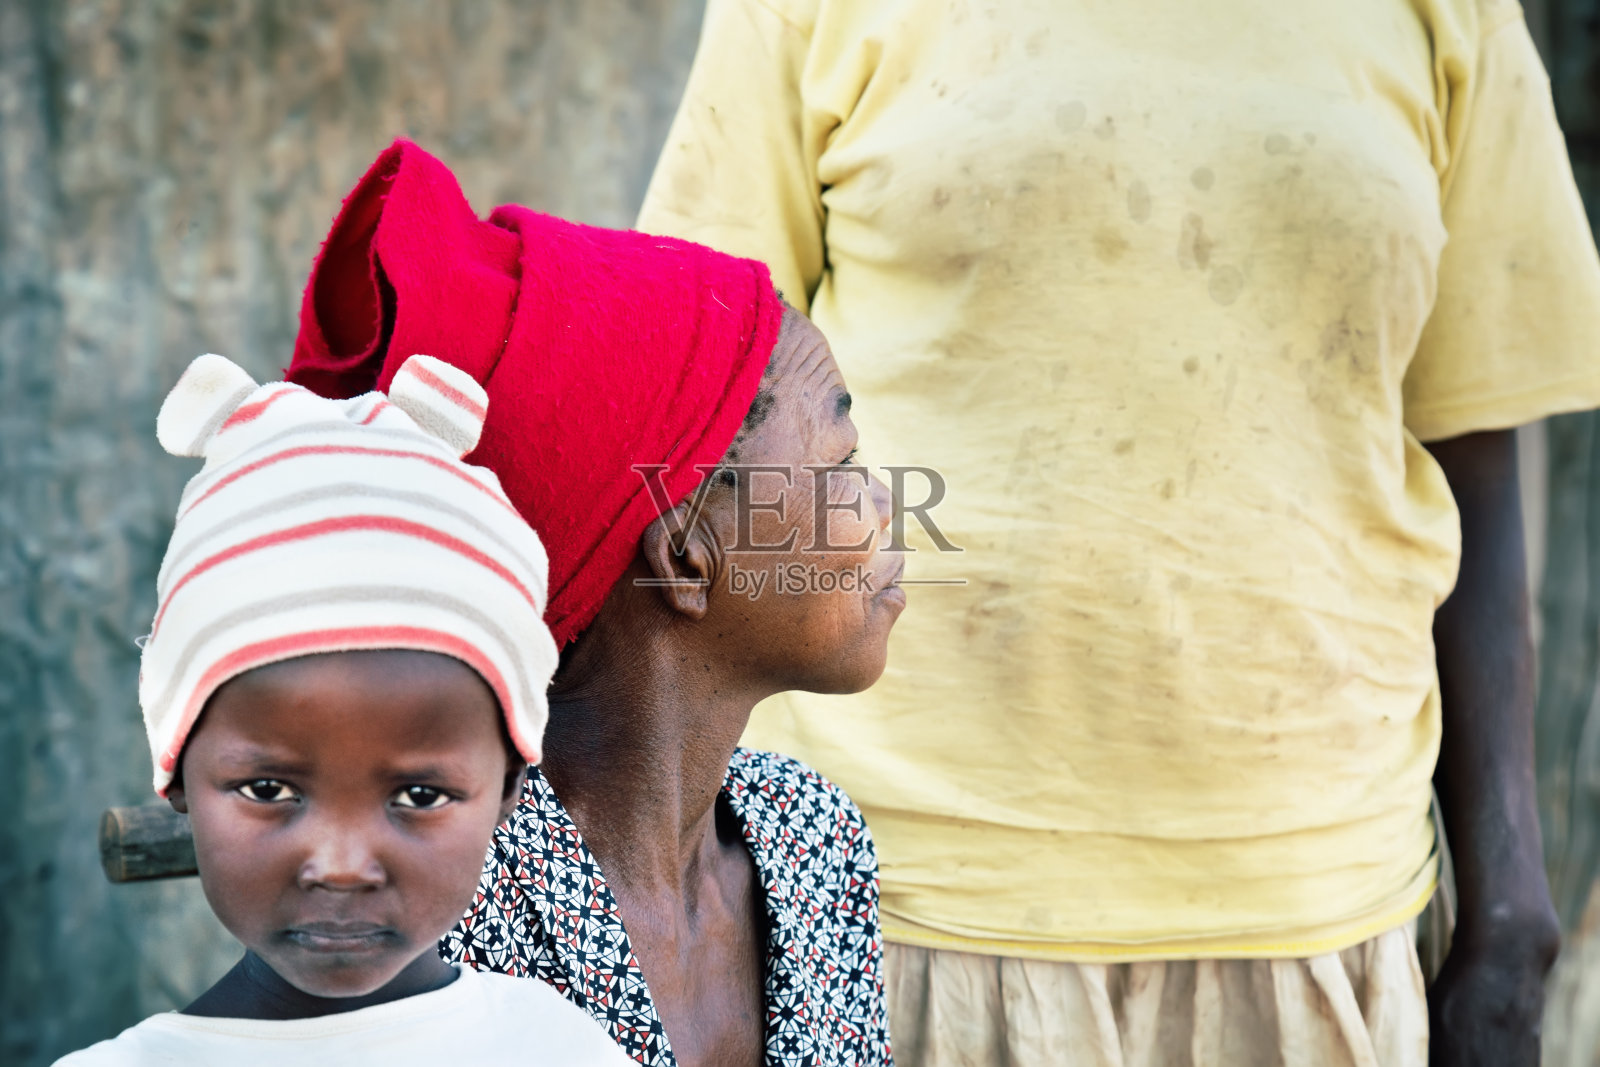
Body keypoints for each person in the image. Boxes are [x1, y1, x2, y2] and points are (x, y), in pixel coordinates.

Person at [635, 0, 1600, 1063]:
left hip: (1315, 904)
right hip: (890, 895)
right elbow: (695, 411)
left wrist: (1509, 905)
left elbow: (1470, 440)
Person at [286, 140, 899, 1067]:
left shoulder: (809, 840)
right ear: (687, 557)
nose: (886, 503)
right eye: (842, 465)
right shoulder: (443, 919)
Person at [55, 352, 632, 1065]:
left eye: (420, 794)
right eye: (268, 789)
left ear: (510, 784)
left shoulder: (555, 1046)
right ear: (172, 766)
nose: (340, 865)